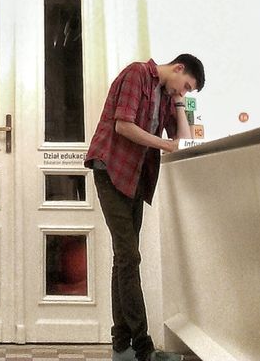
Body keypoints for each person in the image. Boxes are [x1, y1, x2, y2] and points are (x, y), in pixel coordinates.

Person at [84, 53, 206, 361]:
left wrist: (179, 104)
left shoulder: (166, 98)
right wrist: (164, 144)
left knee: (123, 259)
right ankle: (143, 349)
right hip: (110, 168)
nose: (184, 92)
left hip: (134, 176)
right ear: (178, 68)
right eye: (187, 86)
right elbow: (123, 126)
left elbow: (184, 139)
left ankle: (121, 347)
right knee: (129, 257)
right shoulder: (138, 74)